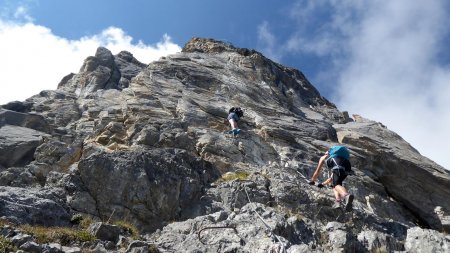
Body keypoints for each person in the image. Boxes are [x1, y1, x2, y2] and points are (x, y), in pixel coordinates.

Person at [309, 146, 354, 211]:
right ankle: (338, 201)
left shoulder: (325, 157)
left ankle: (346, 195)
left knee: (336, 185)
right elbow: (331, 178)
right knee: (335, 184)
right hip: (347, 165)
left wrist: (312, 180)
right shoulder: (339, 158)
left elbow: (317, 171)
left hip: (338, 163)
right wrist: (323, 184)